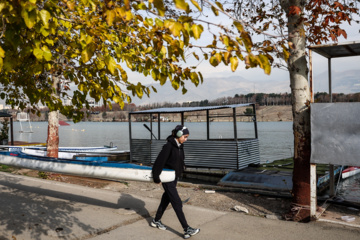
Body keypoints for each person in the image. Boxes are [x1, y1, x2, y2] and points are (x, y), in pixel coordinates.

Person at [151, 125, 200, 239]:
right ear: (178, 135)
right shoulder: (168, 146)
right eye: (185, 136)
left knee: (166, 199)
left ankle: (156, 220)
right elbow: (159, 162)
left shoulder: (180, 146)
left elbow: (179, 160)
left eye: (187, 137)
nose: (186, 139)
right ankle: (186, 229)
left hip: (174, 178)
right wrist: (156, 177)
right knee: (177, 202)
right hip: (167, 178)